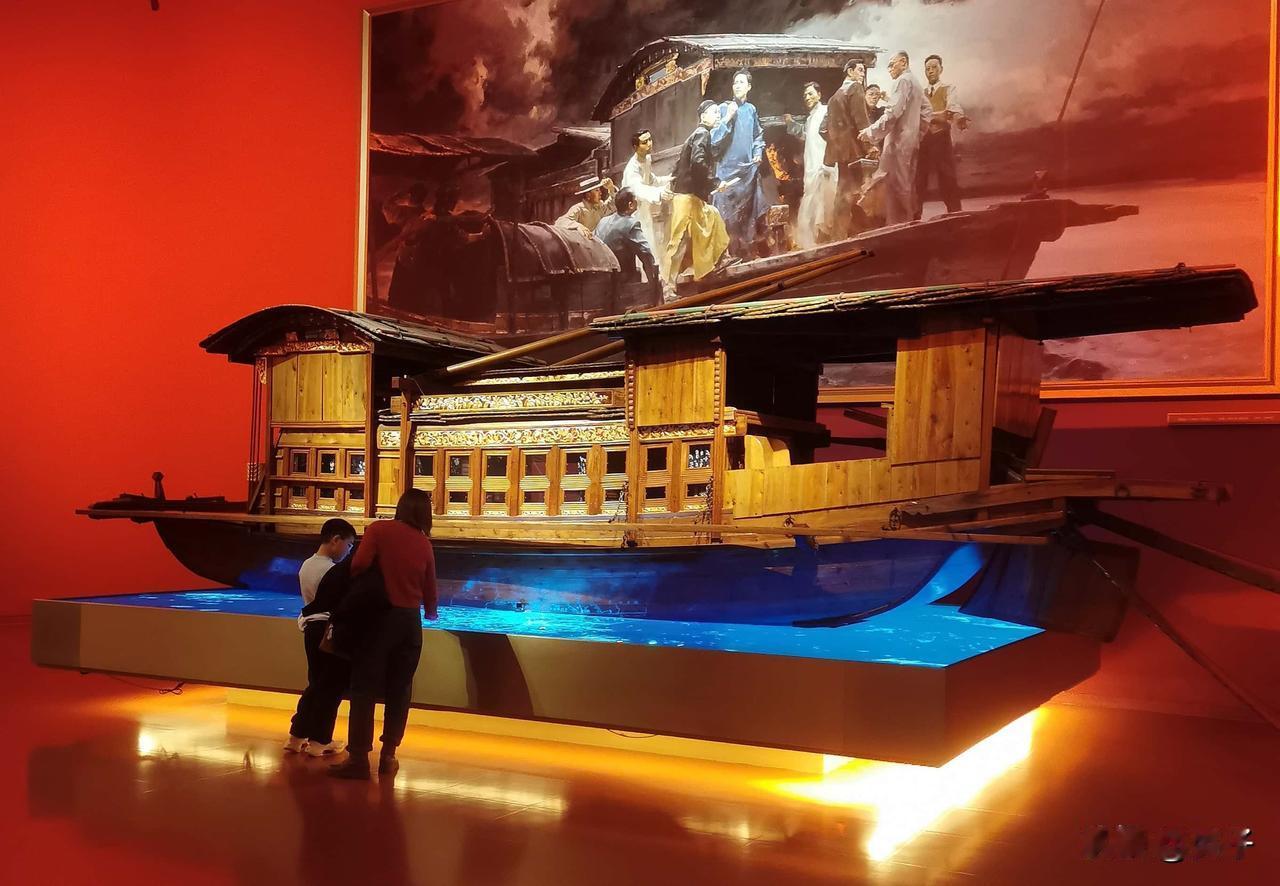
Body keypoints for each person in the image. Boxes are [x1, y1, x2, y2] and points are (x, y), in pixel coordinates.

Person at [329, 490, 438, 780]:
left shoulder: (379, 530)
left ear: (400, 507)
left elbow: (358, 564)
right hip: (410, 623)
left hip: (380, 619)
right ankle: (388, 756)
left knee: (363, 687)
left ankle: (358, 758)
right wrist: (429, 612)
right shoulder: (424, 543)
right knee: (400, 689)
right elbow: (430, 589)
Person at [284, 518, 356, 757]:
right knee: (331, 686)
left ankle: (297, 736)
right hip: (328, 630)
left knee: (316, 683)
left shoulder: (306, 565)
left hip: (311, 630)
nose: (349, 551)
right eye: (349, 544)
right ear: (336, 540)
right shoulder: (332, 570)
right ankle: (319, 740)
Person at [860, 51, 932, 226]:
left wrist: (870, 132)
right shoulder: (915, 82)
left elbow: (892, 114)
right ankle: (905, 222)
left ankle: (900, 225)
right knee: (905, 183)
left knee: (897, 185)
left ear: (904, 62)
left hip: (898, 143)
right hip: (909, 142)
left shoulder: (903, 81)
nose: (889, 69)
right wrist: (917, 134)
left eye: (892, 64)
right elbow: (927, 111)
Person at [663, 100, 731, 286]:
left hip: (691, 195)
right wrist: (715, 182)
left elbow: (682, 164)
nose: (718, 115)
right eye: (714, 112)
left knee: (713, 217)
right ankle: (667, 286)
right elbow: (698, 163)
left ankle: (710, 266)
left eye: (718, 112)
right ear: (703, 116)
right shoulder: (702, 133)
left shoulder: (698, 135)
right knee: (679, 240)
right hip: (686, 196)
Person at [711, 69, 767, 259]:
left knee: (747, 216)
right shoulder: (723, 108)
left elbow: (758, 135)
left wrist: (757, 153)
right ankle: (727, 256)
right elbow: (713, 139)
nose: (737, 86)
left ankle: (747, 254)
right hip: (727, 172)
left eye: (741, 82)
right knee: (727, 217)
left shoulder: (751, 110)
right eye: (735, 83)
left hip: (747, 173)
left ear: (749, 87)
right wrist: (728, 117)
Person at [819, 59, 873, 239]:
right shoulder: (855, 88)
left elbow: (822, 129)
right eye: (860, 70)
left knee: (844, 192)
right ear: (850, 71)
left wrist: (837, 142)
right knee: (857, 192)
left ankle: (840, 234)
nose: (863, 74)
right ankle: (856, 233)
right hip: (854, 152)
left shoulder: (834, 97)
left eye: (864, 70)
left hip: (840, 153)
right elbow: (861, 120)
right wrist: (870, 146)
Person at [915, 54, 968, 218]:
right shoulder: (921, 92)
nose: (930, 71)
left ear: (941, 69)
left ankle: (956, 215)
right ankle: (915, 218)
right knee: (919, 179)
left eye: (934, 67)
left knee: (947, 177)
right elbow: (916, 114)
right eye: (927, 69)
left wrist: (955, 117)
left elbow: (952, 109)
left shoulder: (948, 88)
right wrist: (940, 115)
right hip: (924, 139)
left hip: (941, 138)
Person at [792, 82, 838, 249]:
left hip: (824, 165)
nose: (807, 97)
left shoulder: (826, 111)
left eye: (811, 94)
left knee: (824, 203)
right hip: (812, 166)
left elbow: (832, 136)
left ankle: (826, 240)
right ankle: (811, 243)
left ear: (819, 94)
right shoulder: (810, 118)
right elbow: (807, 136)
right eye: (805, 95)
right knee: (811, 201)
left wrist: (828, 163)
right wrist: (791, 124)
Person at [594, 188, 662, 304]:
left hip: (601, 279)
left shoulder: (603, 221)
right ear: (630, 205)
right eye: (636, 200)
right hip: (621, 280)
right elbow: (645, 254)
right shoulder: (630, 224)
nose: (638, 201)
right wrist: (654, 283)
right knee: (644, 274)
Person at [620, 130, 672, 278]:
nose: (649, 144)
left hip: (644, 209)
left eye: (650, 140)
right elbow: (638, 189)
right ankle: (648, 281)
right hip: (632, 212)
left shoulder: (647, 159)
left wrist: (668, 179)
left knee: (654, 242)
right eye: (644, 142)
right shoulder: (632, 168)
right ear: (635, 147)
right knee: (645, 244)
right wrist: (659, 193)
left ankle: (658, 278)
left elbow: (651, 180)